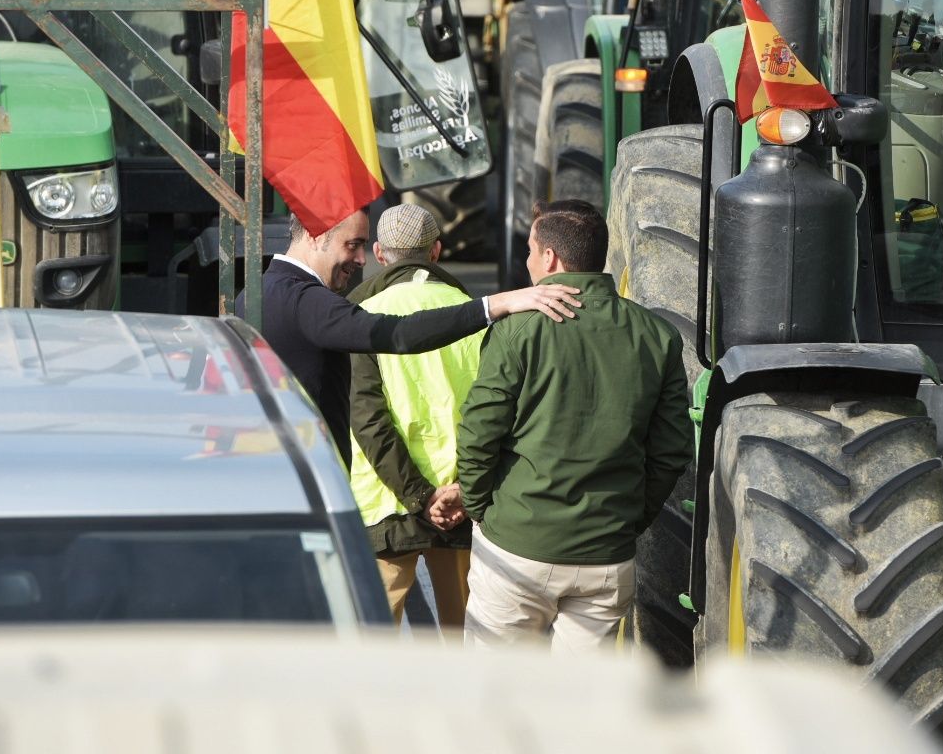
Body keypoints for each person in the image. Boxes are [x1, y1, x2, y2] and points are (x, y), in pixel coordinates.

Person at [442, 199, 690, 650]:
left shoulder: (518, 330)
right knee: (582, 694)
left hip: (517, 546)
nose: (527, 262)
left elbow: (480, 432)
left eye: (530, 251)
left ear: (551, 258)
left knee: (493, 686)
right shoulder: (659, 336)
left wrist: (480, 508)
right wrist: (628, 521)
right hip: (606, 555)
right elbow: (671, 451)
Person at [238, 208, 579, 467]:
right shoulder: (305, 301)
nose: (361, 260)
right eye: (352, 245)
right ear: (315, 236)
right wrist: (496, 304)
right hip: (309, 480)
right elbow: (399, 334)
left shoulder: (253, 294)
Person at [348, 204, 479, 629]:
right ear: (436, 251)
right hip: (460, 503)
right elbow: (495, 414)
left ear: (379, 254)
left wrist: (420, 497)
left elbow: (368, 419)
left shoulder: (360, 317)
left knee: (373, 639)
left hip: (385, 504)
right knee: (466, 636)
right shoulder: (474, 312)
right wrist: (459, 492)